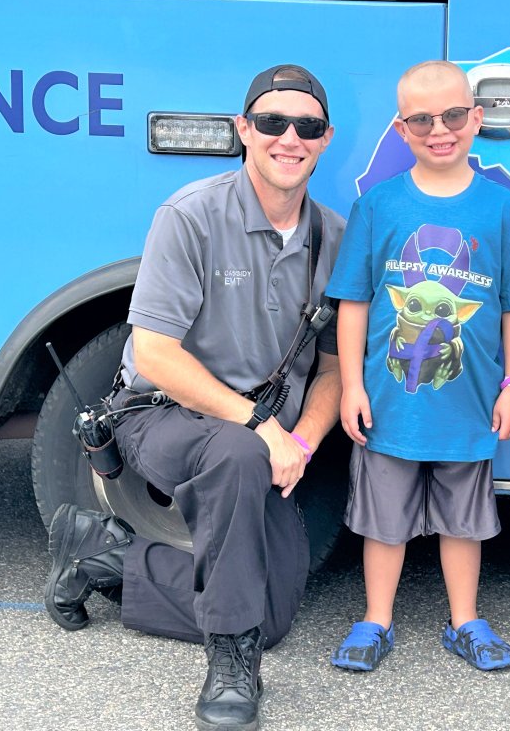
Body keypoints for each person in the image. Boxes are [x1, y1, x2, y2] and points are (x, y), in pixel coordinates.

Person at [44, 64, 345, 731]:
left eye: (307, 126)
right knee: (239, 453)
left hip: (258, 440)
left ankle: (106, 555)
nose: (288, 137)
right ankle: (231, 667)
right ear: (244, 130)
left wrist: (300, 441)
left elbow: (331, 371)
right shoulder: (191, 215)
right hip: (162, 418)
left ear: (325, 139)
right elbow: (153, 354)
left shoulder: (334, 238)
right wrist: (260, 427)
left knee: (274, 614)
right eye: (271, 122)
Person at [324, 60, 510, 672]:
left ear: (477, 119)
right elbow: (352, 304)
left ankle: (465, 620)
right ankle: (376, 620)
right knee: (383, 521)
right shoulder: (378, 206)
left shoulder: (504, 212)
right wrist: (350, 386)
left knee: (464, 522)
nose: (440, 129)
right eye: (422, 119)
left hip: (470, 405)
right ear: (402, 130)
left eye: (453, 115)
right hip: (389, 403)